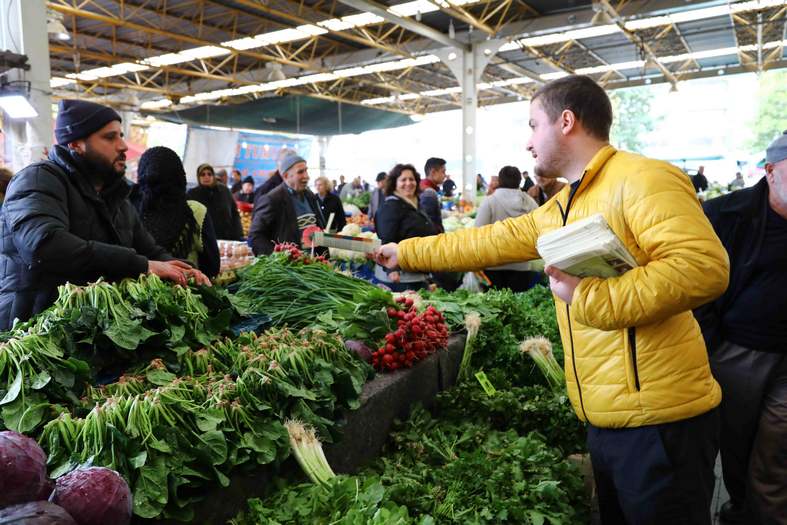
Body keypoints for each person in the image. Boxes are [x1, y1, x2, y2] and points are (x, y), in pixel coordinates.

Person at [376, 75, 729, 525]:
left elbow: (702, 267)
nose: (527, 143)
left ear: (566, 121)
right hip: (604, 418)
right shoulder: (565, 205)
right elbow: (487, 242)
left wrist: (589, 296)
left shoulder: (643, 178)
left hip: (661, 421)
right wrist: (404, 252)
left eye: (531, 125)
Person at [0, 100, 209, 330]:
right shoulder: (39, 180)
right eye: (110, 138)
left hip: (87, 330)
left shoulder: (115, 194)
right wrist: (140, 265)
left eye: (120, 135)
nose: (123, 146)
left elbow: (149, 250)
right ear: (76, 144)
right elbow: (44, 245)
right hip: (32, 331)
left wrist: (181, 269)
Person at [693, 131, 787, 525]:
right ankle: (739, 507)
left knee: (778, 447)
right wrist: (713, 343)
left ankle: (766, 515)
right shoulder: (726, 214)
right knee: (736, 441)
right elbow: (695, 282)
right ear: (770, 171)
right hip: (737, 353)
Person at [130, 147, 220, 279]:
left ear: (143, 176)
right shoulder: (195, 212)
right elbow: (212, 267)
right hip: (186, 292)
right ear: (180, 176)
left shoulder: (128, 210)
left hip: (134, 294)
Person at [475, 166, 539, 292]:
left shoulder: (489, 202)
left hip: (493, 264)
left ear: (500, 181)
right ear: (520, 181)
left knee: (492, 308)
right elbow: (539, 229)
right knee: (518, 308)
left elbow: (477, 232)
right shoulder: (530, 203)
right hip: (521, 263)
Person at [374, 164, 435, 292]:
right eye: (403, 180)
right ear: (394, 183)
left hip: (417, 272)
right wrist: (391, 269)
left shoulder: (414, 203)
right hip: (400, 277)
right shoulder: (390, 206)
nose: (408, 183)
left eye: (412, 179)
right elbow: (385, 238)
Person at [249, 153, 325, 255]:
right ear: (285, 176)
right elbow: (256, 236)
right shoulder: (272, 199)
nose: (306, 176)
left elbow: (318, 227)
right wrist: (278, 258)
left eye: (306, 170)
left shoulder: (309, 195)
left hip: (313, 263)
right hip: (290, 267)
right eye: (300, 172)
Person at [186, 163, 243, 241]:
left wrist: (238, 234)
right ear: (198, 177)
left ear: (213, 176)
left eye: (209, 174)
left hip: (226, 238)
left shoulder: (224, 191)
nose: (206, 177)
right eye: (203, 174)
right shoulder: (192, 194)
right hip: (202, 239)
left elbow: (234, 213)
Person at [421, 157, 446, 233]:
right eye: (443, 172)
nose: (445, 175)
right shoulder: (428, 192)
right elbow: (429, 223)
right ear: (433, 172)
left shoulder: (427, 188)